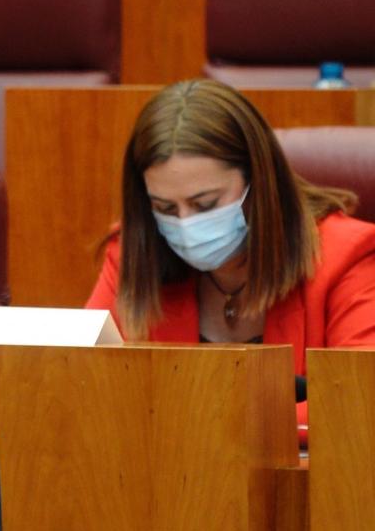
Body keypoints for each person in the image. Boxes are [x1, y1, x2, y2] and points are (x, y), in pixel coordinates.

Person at [86, 78, 375, 428]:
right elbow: (86, 387)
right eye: (165, 208)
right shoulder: (133, 253)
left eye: (205, 203)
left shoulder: (347, 256)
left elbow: (359, 404)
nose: (186, 225)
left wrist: (204, 420)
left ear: (259, 183)